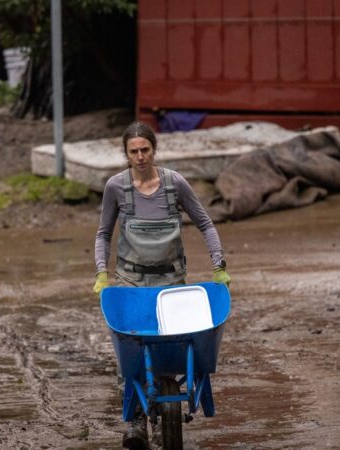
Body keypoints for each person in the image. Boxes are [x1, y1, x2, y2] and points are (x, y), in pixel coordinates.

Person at [92, 121, 231, 449]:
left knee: (169, 344)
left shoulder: (174, 184)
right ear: (126, 154)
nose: (140, 156)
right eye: (133, 151)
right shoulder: (116, 187)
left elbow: (205, 223)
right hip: (130, 279)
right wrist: (101, 272)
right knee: (132, 346)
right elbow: (103, 233)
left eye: (145, 150)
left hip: (170, 280)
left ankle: (165, 400)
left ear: (154, 150)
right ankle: (136, 421)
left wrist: (219, 264)